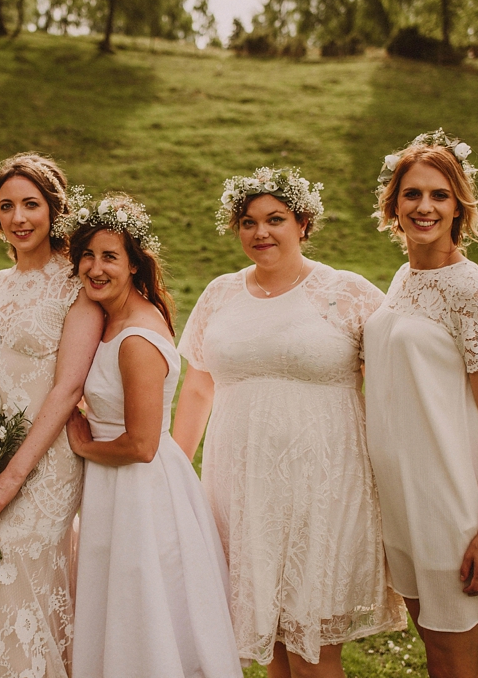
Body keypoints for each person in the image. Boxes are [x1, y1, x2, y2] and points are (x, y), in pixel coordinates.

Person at [174, 167, 406, 678]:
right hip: (239, 490)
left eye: (275, 219)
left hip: (322, 486)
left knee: (314, 654)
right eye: (248, 222)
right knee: (270, 647)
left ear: (303, 223)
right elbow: (197, 387)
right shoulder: (220, 294)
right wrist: (170, 470)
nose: (261, 233)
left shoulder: (346, 292)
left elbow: (393, 390)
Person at [363, 130, 478, 678]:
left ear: (459, 206)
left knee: (455, 666)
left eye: (439, 195)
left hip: (454, 510)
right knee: (435, 659)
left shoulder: (474, 292)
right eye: (412, 194)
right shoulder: (404, 279)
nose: (424, 206)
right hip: (404, 507)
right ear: (394, 204)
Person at [62, 192, 243, 678]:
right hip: (119, 482)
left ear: (134, 264)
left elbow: (141, 445)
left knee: (144, 604)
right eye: (87, 255)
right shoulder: (114, 317)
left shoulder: (136, 338)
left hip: (137, 487)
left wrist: (85, 445)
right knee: (124, 602)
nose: (95, 268)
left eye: (109, 257)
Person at [0, 153, 104, 678]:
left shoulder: (76, 284)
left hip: (47, 462)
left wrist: (12, 479)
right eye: (7, 206)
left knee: (13, 576)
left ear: (54, 210)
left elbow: (67, 389)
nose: (19, 217)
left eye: (31, 204)